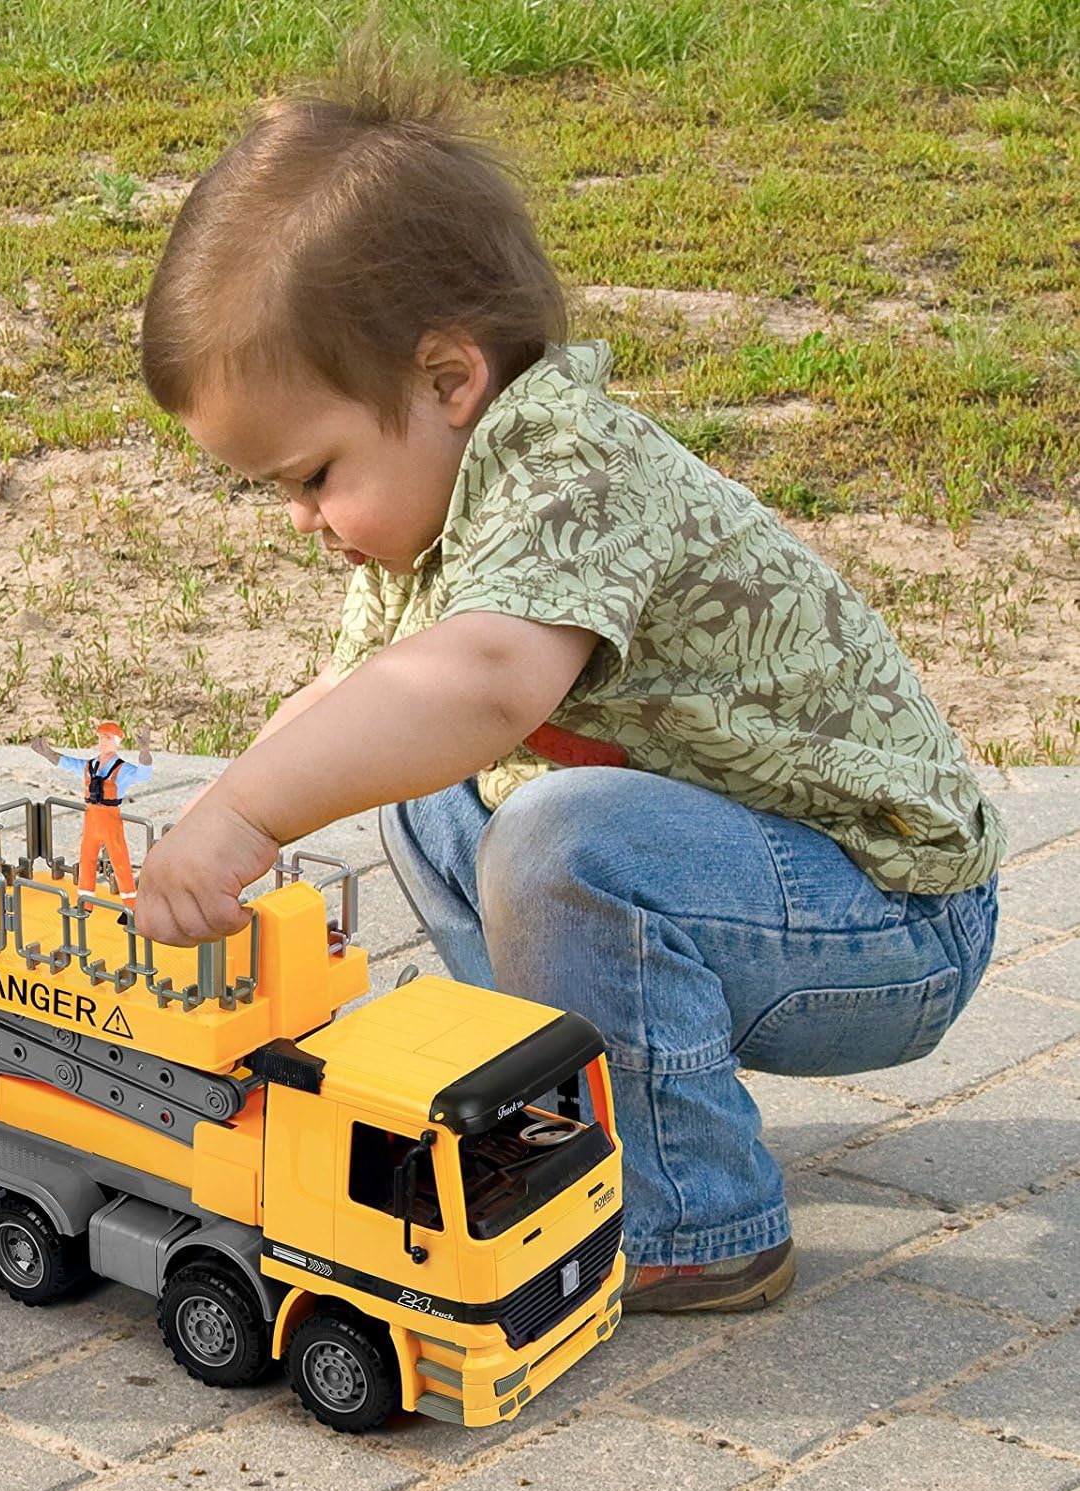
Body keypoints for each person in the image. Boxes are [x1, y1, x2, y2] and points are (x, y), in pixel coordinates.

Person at [129, 45, 1002, 1312]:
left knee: (558, 840)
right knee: (417, 782)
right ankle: (548, 1116)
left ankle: (689, 1219)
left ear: (449, 380)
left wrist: (247, 815)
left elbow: (484, 684)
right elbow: (357, 705)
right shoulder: (432, 514)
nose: (305, 519)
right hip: (744, 885)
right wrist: (222, 818)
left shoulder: (570, 464)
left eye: (314, 476)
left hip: (890, 915)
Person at [30, 722, 153, 921]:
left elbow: (144, 774)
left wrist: (144, 751)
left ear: (117, 742)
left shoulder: (122, 769)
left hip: (110, 819)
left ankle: (131, 908)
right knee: (86, 860)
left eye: (107, 738)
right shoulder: (89, 766)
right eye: (100, 737)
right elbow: (67, 763)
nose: (102, 741)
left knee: (120, 862)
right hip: (91, 818)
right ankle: (85, 904)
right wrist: (48, 753)